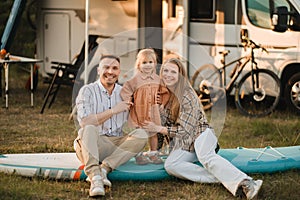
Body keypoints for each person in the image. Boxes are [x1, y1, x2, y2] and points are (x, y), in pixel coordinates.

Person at [142, 58, 263, 200]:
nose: (168, 75)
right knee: (171, 165)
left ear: (180, 75)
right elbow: (161, 134)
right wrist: (156, 109)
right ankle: (226, 179)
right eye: (166, 71)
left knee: (206, 156)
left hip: (201, 133)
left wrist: (158, 128)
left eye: (173, 72)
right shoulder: (161, 96)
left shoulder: (187, 95)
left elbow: (184, 130)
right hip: (185, 145)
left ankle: (248, 183)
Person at [74, 55, 148, 197]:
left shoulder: (124, 92)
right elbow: (84, 122)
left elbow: (137, 123)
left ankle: (104, 169)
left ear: (119, 72)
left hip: (115, 145)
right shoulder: (87, 91)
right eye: (106, 67)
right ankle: (95, 178)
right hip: (90, 143)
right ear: (98, 70)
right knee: (89, 128)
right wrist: (114, 110)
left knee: (141, 135)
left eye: (114, 68)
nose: (110, 71)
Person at [120, 48, 169, 165]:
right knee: (139, 135)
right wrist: (129, 101)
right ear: (138, 65)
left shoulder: (158, 79)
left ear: (155, 64)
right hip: (139, 111)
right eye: (144, 63)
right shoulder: (135, 80)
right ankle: (139, 155)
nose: (148, 65)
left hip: (153, 112)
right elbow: (125, 91)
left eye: (150, 62)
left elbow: (165, 92)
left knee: (153, 134)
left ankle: (153, 153)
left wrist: (161, 101)